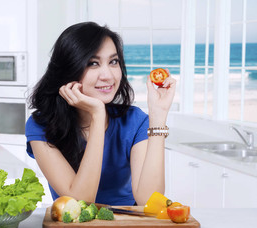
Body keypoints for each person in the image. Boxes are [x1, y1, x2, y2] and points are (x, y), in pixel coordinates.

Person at [25, 22, 176, 206]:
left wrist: (158, 115)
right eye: (93, 63)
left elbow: (149, 201)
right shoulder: (41, 125)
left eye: (113, 62)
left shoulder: (134, 122)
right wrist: (97, 115)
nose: (108, 75)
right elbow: (80, 202)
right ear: (69, 70)